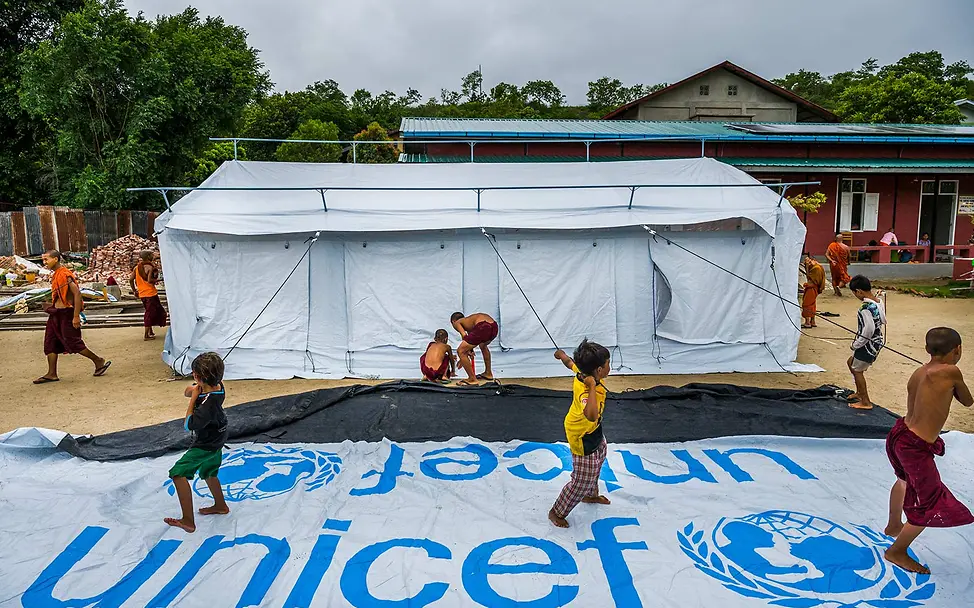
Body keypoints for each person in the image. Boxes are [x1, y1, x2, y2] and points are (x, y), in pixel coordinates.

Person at [883, 327, 973, 574]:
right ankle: (897, 551)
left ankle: (893, 525)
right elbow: (968, 401)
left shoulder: (919, 372)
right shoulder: (951, 372)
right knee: (929, 502)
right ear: (958, 350)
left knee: (903, 480)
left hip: (899, 434)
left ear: (926, 349)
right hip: (914, 447)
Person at [549, 340, 612, 528]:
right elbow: (591, 415)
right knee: (582, 480)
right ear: (599, 370)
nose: (610, 367)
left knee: (599, 458)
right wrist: (591, 388)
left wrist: (561, 355)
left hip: (593, 430)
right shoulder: (587, 391)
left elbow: (570, 363)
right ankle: (557, 512)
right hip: (581, 435)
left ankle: (590, 495)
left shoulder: (582, 372)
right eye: (608, 364)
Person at [165, 352, 230, 533]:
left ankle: (188, 520)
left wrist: (194, 397)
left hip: (206, 443)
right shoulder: (218, 386)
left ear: (197, 376)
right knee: (209, 471)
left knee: (178, 473)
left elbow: (189, 424)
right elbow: (188, 390)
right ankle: (221, 505)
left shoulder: (208, 405)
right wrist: (195, 389)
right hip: (219, 436)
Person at [33, 250, 111, 384]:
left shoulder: (65, 274)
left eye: (46, 259)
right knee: (50, 342)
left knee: (73, 342)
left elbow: (77, 294)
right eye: (43, 260)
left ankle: (98, 360)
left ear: (55, 259)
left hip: (67, 313)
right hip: (55, 313)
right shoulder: (56, 274)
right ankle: (52, 373)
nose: (44, 262)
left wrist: (76, 316)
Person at [847, 275, 886, 410]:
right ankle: (859, 392)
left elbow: (868, 330)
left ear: (859, 291)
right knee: (851, 362)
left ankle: (865, 402)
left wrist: (856, 344)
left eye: (854, 293)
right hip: (877, 341)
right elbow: (883, 319)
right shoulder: (878, 302)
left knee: (857, 370)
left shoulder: (865, 308)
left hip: (868, 344)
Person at [451, 312, 498, 386]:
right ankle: (488, 373)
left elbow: (464, 335)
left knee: (460, 351)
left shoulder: (457, 322)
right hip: (494, 326)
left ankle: (472, 379)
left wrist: (463, 355)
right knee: (483, 345)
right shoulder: (469, 321)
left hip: (483, 326)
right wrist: (470, 351)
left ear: (453, 321)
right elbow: (472, 339)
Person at [130, 251, 167, 340]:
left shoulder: (136, 268)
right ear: (148, 256)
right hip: (150, 294)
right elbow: (150, 280)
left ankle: (150, 331)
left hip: (142, 294)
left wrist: (134, 290)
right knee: (150, 314)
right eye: (152, 255)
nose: (153, 256)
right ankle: (146, 335)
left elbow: (131, 280)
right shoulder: (150, 267)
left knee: (150, 312)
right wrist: (160, 280)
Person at [801, 253, 826, 328]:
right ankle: (812, 321)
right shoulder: (817, 266)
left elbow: (810, 278)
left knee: (806, 304)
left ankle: (807, 322)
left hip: (812, 288)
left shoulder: (816, 268)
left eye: (809, 261)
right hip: (814, 288)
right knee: (812, 304)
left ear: (813, 260)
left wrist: (807, 266)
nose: (807, 263)